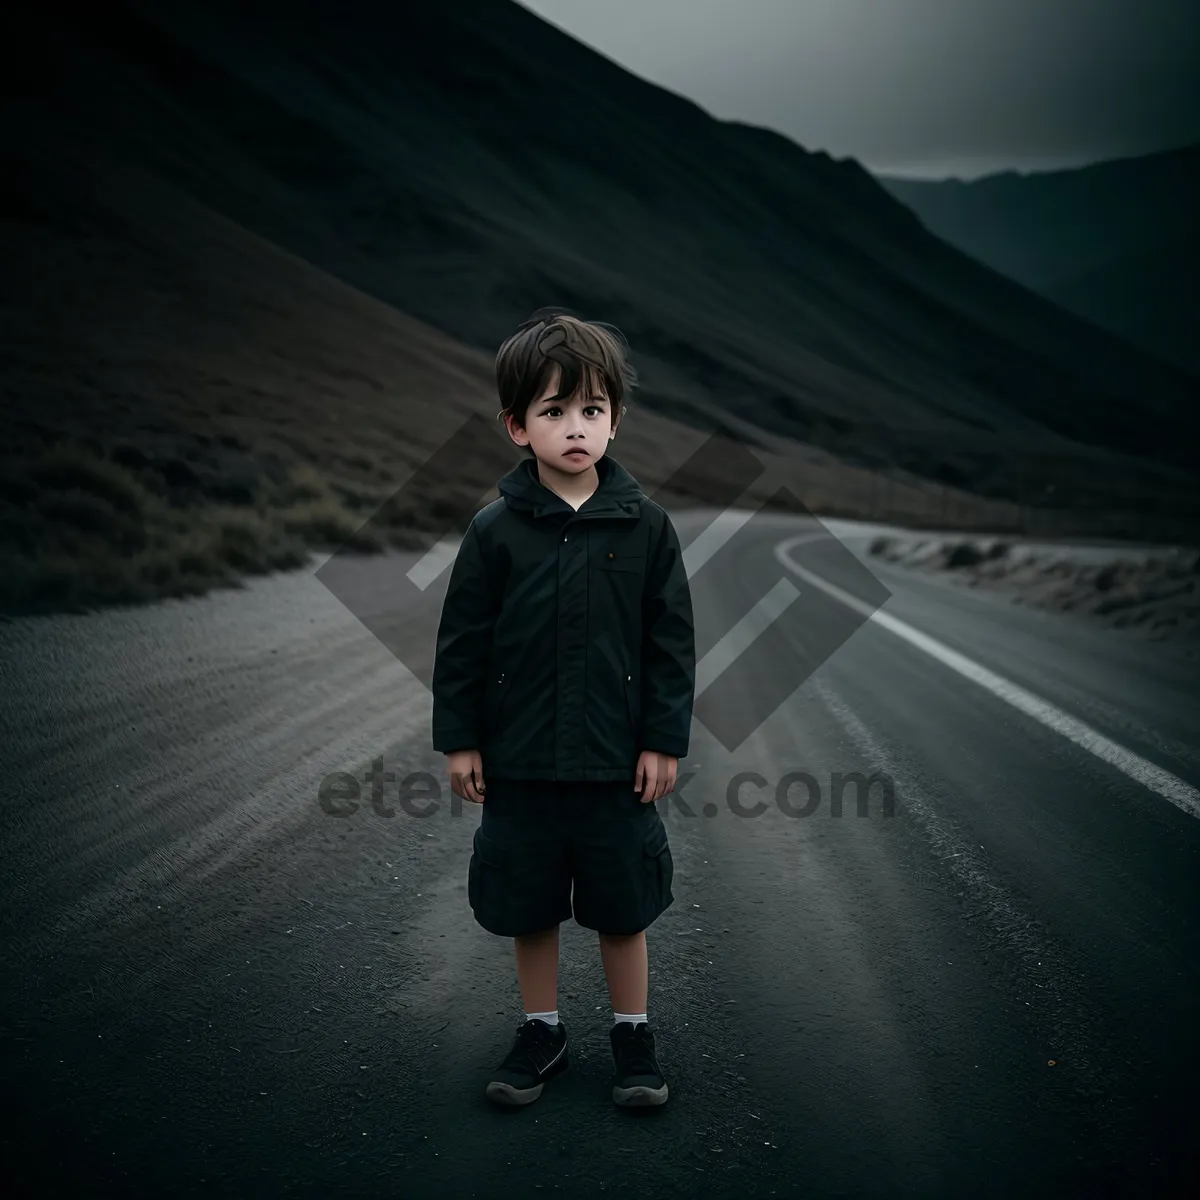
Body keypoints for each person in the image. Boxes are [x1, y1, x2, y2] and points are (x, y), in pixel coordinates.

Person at [431, 306, 696, 1108]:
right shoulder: (495, 532)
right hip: (522, 763)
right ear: (518, 426)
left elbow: (669, 646)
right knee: (529, 902)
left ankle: (632, 1034)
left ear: (615, 419)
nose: (575, 428)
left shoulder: (648, 529)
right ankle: (542, 1034)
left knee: (623, 906)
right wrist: (461, 742)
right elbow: (462, 645)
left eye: (591, 410)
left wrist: (662, 740)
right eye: (553, 412)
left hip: (617, 765)